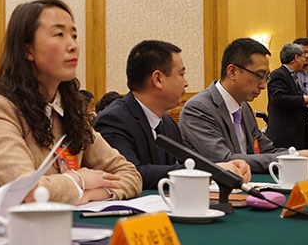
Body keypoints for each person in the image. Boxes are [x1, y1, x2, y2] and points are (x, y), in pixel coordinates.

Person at [0, 0, 141, 204]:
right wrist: (79, 180)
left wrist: (91, 194)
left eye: (74, 35)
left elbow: (129, 173)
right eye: (59, 34)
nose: (73, 46)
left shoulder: (68, 111)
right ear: (27, 50)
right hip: (4, 224)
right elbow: (27, 191)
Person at [94, 40, 251, 189]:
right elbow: (132, 174)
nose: (186, 83)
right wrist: (212, 170)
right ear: (158, 79)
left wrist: (227, 165)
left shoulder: (167, 123)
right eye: (181, 74)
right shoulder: (114, 120)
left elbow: (190, 160)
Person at [179, 38, 308, 173]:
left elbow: (267, 150)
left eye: (266, 77)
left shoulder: (244, 107)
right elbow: (226, 160)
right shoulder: (199, 108)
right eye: (259, 76)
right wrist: (296, 159)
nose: (263, 85)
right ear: (232, 72)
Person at [266, 43, 308, 150]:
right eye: (303, 57)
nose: (305, 60)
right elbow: (278, 98)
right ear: (296, 58)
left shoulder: (293, 76)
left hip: (297, 134)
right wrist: (305, 99)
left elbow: (292, 103)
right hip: (284, 135)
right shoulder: (279, 74)